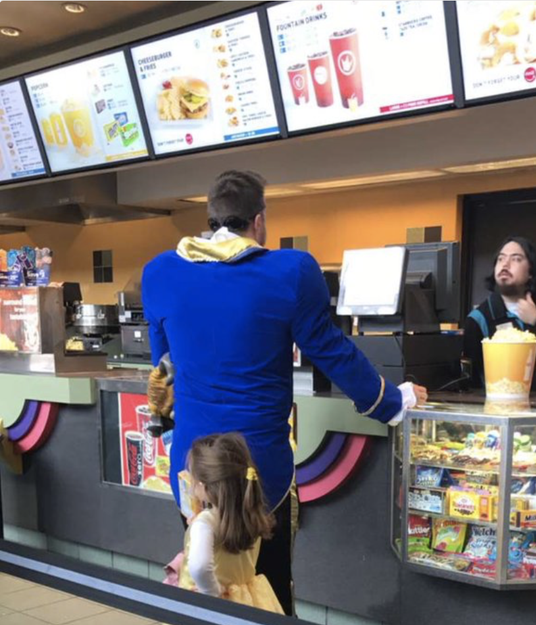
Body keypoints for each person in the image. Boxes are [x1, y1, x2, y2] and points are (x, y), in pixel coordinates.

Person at [142, 170, 427, 615]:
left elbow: (164, 370)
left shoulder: (160, 273)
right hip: (261, 468)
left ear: (211, 215)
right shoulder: (290, 271)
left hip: (193, 468)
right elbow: (330, 350)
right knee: (268, 589)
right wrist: (392, 401)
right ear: (259, 220)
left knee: (205, 574)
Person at [177, 433, 284, 614]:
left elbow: (199, 566)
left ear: (203, 486)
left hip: (210, 606)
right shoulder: (252, 513)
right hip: (247, 598)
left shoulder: (205, 523)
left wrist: (212, 593)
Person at [463, 236, 536, 392]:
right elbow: (469, 379)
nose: (505, 264)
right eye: (500, 259)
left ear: (531, 271)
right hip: (494, 407)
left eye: (516, 259)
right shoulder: (479, 318)